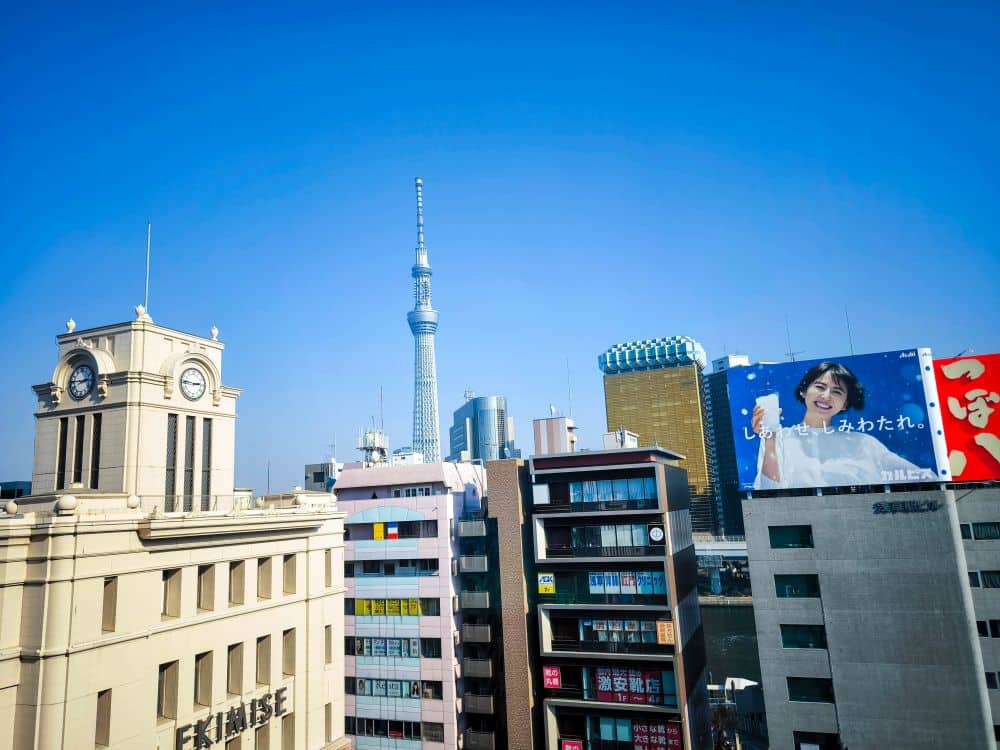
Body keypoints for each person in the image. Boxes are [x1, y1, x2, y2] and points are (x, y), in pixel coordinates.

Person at [751, 361, 928, 489]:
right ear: (804, 391)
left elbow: (926, 478)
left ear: (845, 404)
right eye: (820, 387)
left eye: (837, 391)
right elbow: (768, 491)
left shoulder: (864, 443)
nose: (826, 396)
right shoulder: (779, 438)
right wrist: (769, 439)